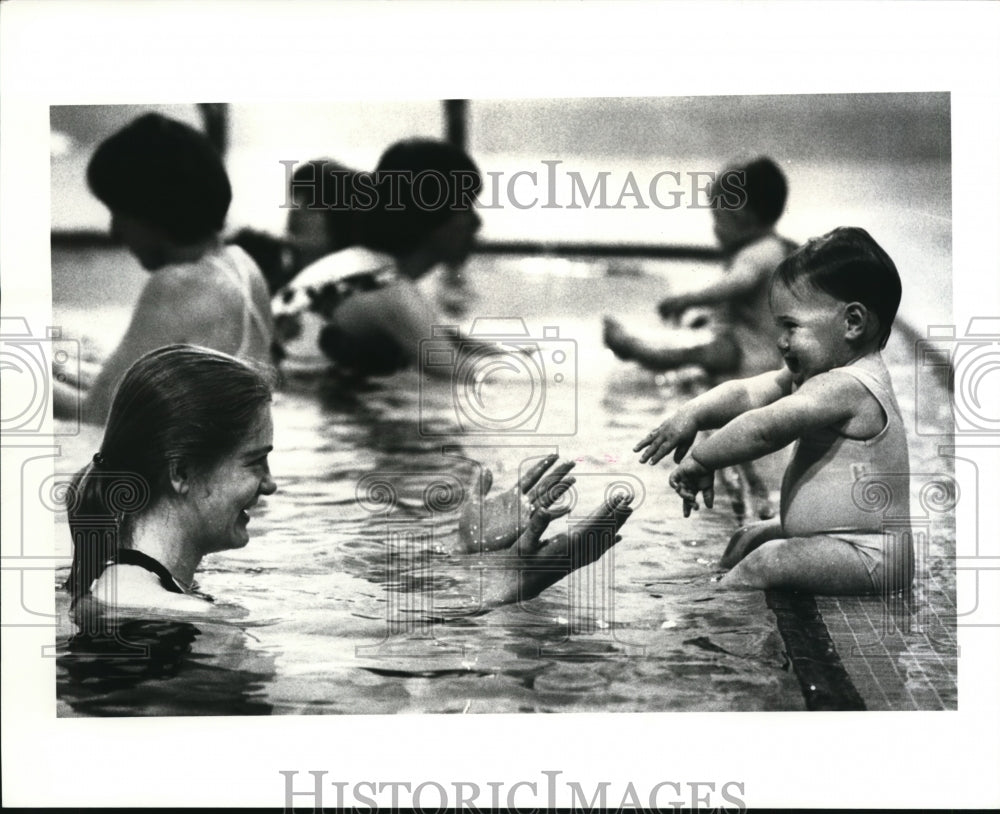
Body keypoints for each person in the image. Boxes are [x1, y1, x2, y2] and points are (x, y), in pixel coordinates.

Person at [65, 344, 633, 614]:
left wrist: (464, 554)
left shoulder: (137, 589)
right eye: (254, 461)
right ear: (182, 472)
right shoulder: (156, 609)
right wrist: (505, 587)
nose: (271, 485)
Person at [634, 227, 911, 595]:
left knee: (768, 561)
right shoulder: (814, 374)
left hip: (870, 556)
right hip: (836, 541)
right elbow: (748, 393)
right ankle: (716, 587)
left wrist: (703, 459)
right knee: (747, 539)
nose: (780, 341)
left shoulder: (849, 386)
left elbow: (766, 429)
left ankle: (711, 605)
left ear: (852, 322)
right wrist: (694, 413)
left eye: (790, 326)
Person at [53, 113, 275, 425]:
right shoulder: (242, 266)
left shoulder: (175, 286)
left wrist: (22, 387)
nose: (114, 230)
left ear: (151, 210)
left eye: (118, 211)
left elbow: (102, 416)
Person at [273, 138, 501, 377]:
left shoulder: (360, 268)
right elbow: (469, 380)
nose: (476, 222)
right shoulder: (386, 289)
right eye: (466, 206)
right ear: (430, 214)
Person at [604, 156, 796, 377]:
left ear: (742, 217)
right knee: (700, 348)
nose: (715, 229)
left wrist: (689, 299)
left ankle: (635, 349)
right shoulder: (777, 248)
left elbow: (738, 282)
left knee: (692, 355)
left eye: (718, 217)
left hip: (747, 351)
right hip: (762, 352)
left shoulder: (759, 252)